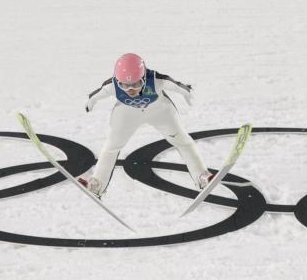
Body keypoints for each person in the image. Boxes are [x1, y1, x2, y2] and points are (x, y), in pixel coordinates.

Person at [78, 53, 213, 197]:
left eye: (136, 84)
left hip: (160, 113)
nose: (131, 90)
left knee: (183, 142)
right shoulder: (111, 85)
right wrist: (90, 103)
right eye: (124, 85)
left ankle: (202, 176)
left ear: (144, 77)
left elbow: (177, 86)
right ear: (117, 81)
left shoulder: (156, 80)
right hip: (127, 115)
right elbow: (95, 95)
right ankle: (97, 185)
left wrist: (187, 92)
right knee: (111, 147)